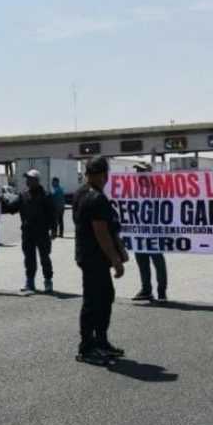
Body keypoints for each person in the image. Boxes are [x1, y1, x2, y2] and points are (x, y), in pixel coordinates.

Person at [73, 156, 129, 365]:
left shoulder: (80, 193)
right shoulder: (96, 198)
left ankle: (100, 342)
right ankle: (87, 347)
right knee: (94, 301)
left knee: (104, 297)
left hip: (87, 255)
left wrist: (119, 251)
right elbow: (101, 232)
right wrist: (116, 259)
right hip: (94, 257)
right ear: (103, 175)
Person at [0, 169, 57, 293]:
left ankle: (48, 281)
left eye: (30, 179)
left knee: (44, 257)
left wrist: (54, 229)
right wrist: (2, 200)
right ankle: (29, 282)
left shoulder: (46, 195)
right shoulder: (23, 195)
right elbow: (12, 208)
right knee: (29, 258)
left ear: (36, 180)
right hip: (27, 232)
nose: (27, 181)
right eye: (27, 178)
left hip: (42, 232)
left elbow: (52, 213)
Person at [129, 164, 169, 303]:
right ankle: (146, 290)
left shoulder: (158, 189)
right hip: (138, 232)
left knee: (158, 262)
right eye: (137, 171)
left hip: (154, 232)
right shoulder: (133, 189)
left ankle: (161, 292)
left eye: (141, 171)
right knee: (142, 262)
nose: (138, 173)